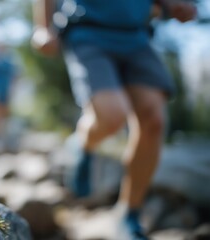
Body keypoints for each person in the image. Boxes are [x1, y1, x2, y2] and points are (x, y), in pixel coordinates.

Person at [31, 0, 195, 239]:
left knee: (154, 120)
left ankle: (129, 213)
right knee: (112, 116)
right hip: (87, 29)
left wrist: (175, 6)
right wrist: (43, 28)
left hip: (136, 36)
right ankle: (83, 144)